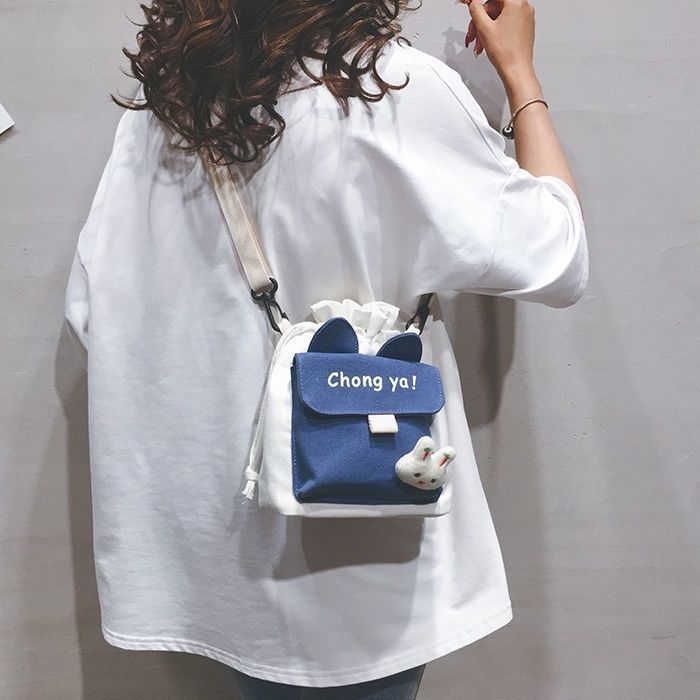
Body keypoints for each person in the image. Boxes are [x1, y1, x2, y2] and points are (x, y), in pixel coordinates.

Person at [63, 0, 589, 698]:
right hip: (356, 550)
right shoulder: (391, 87)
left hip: (219, 554)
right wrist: (519, 75)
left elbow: (91, 307)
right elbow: (557, 256)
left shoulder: (164, 106)